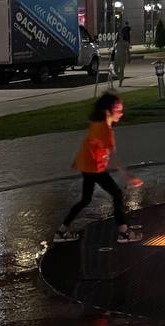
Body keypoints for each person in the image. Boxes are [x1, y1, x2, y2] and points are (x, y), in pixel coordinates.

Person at [54, 92, 142, 243]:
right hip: (94, 169)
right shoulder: (104, 130)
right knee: (117, 194)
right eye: (118, 110)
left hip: (88, 167)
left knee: (86, 199)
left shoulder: (99, 125)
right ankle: (123, 233)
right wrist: (129, 177)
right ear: (107, 111)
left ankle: (61, 231)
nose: (121, 113)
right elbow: (113, 158)